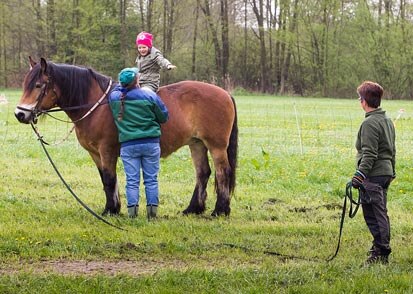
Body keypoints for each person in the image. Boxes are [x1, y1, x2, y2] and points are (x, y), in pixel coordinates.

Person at [109, 67, 169, 219]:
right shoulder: (149, 95)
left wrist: (122, 85)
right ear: (137, 80)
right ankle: (152, 214)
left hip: (128, 146)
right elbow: (164, 117)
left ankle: (132, 214)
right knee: (151, 180)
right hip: (151, 144)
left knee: (132, 181)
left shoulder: (115, 97)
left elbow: (117, 89)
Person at [351, 81, 396, 265]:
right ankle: (379, 247)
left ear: (364, 101)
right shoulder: (386, 121)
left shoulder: (370, 123)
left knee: (374, 215)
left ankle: (381, 251)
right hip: (385, 173)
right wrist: (392, 171)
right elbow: (392, 149)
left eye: (359, 98)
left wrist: (360, 174)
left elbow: (370, 153)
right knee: (380, 213)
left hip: (373, 175)